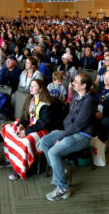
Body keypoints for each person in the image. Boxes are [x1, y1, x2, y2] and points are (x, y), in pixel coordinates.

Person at [40, 73, 97, 201]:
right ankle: (59, 172)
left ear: (84, 85)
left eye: (76, 81)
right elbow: (69, 117)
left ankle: (63, 189)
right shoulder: (77, 96)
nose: (73, 83)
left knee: (53, 152)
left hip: (82, 136)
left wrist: (61, 136)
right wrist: (63, 131)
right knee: (45, 141)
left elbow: (78, 125)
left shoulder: (89, 101)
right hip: (69, 131)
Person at [1, 79, 54, 180]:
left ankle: (19, 168)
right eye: (31, 85)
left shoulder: (46, 104)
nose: (31, 87)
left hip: (41, 129)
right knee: (10, 131)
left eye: (34, 86)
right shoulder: (31, 98)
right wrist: (21, 125)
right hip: (31, 125)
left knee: (25, 141)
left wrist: (26, 131)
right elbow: (25, 116)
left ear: (41, 89)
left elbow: (42, 124)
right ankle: (11, 159)